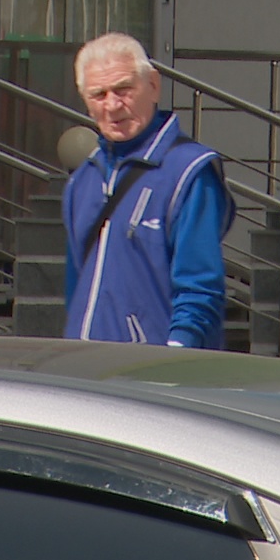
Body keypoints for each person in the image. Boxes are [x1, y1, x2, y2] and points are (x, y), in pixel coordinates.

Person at [62, 32, 235, 348]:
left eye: (124, 89)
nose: (113, 105)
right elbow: (76, 289)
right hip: (86, 372)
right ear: (86, 103)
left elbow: (200, 289)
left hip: (153, 374)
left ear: (153, 85)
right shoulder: (82, 180)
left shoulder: (189, 171)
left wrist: (175, 357)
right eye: (98, 95)